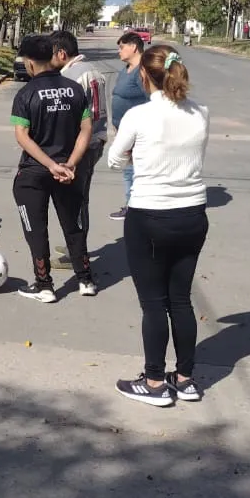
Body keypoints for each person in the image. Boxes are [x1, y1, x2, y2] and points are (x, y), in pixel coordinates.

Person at [107, 44, 210, 407]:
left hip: (149, 215)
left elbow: (114, 159)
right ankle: (185, 379)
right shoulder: (201, 112)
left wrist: (141, 154)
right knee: (180, 299)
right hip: (193, 215)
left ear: (143, 76)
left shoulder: (138, 116)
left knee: (153, 303)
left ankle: (153, 383)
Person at [11, 34, 97, 302]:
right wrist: (69, 163)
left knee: (35, 229)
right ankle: (85, 280)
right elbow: (86, 129)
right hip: (69, 170)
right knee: (74, 225)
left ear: (29, 63)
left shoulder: (25, 94)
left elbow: (22, 135)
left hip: (34, 172)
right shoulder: (75, 89)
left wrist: (49, 164)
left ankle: (44, 284)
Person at [50, 30, 109, 270]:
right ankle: (75, 242)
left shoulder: (71, 77)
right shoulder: (95, 71)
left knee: (72, 201)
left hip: (79, 146)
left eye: (51, 54)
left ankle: (76, 254)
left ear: (62, 53)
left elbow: (67, 117)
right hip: (97, 141)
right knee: (81, 197)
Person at [108, 31, 150, 221]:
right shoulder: (125, 70)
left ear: (133, 47)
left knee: (133, 170)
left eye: (122, 47)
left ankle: (134, 207)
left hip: (138, 131)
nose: (119, 51)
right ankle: (132, 205)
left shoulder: (142, 71)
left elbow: (151, 99)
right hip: (123, 129)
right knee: (128, 170)